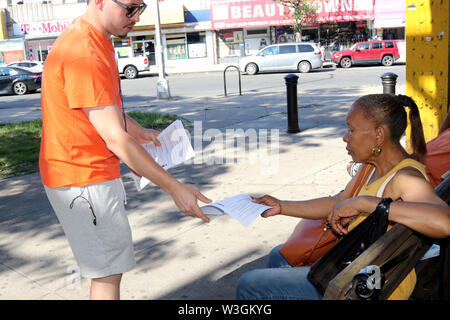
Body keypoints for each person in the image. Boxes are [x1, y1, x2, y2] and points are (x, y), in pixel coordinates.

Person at [39, 0, 211, 300]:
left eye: (141, 8)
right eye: (129, 8)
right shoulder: (85, 53)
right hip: (83, 177)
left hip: (82, 173)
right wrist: (175, 188)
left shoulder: (93, 38)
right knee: (106, 277)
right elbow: (115, 139)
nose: (136, 17)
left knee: (108, 271)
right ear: (99, 2)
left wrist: (137, 130)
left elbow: (99, 107)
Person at [236, 94, 450, 300]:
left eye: (351, 130)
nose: (345, 137)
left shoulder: (406, 177)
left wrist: (367, 203)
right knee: (279, 256)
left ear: (379, 135)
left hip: (367, 286)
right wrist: (281, 206)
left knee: (250, 284)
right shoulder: (371, 168)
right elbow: (337, 203)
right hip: (355, 268)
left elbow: (445, 221)